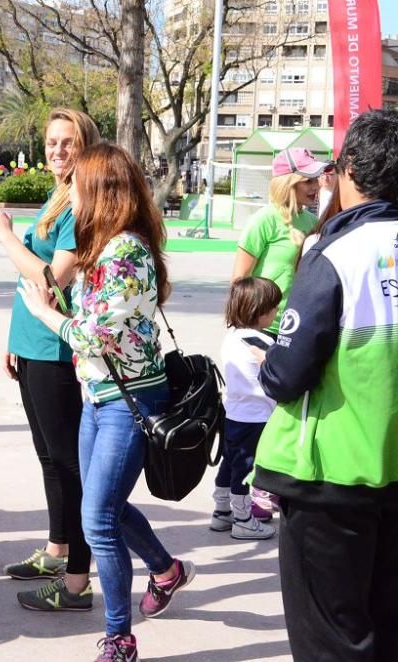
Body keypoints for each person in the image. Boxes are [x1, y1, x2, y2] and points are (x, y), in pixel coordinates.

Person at [20, 143, 193, 662]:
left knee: (96, 518)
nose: (69, 191)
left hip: (127, 401)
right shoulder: (101, 246)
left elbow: (91, 336)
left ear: (101, 191)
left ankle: (119, 636)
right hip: (97, 397)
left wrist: (43, 312)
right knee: (105, 507)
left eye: (77, 183)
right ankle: (167, 570)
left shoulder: (126, 252)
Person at [252, 109, 398, 662]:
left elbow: (284, 375)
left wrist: (267, 363)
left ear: (349, 171)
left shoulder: (336, 253)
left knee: (330, 642)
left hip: (329, 479)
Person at [0, 108, 99, 610]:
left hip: (57, 349)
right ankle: (57, 550)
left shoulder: (82, 202)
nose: (57, 151)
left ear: (85, 146)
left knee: (70, 465)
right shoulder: (57, 194)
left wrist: (4, 235)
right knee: (49, 458)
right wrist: (14, 337)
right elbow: (31, 289)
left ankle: (77, 579)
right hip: (32, 344)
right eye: (51, 142)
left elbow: (51, 280)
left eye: (68, 142)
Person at [209, 277, 280, 540]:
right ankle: (243, 520)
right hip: (257, 416)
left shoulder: (233, 335)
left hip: (234, 413)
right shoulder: (261, 342)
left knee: (230, 462)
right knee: (245, 469)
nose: (275, 313)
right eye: (273, 308)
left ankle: (222, 511)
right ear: (260, 312)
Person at [231, 148, 328, 335]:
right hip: (265, 328)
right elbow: (239, 280)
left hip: (300, 326)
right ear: (287, 184)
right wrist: (250, 329)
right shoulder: (263, 220)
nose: (316, 187)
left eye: (316, 180)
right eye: (308, 181)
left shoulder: (314, 223)